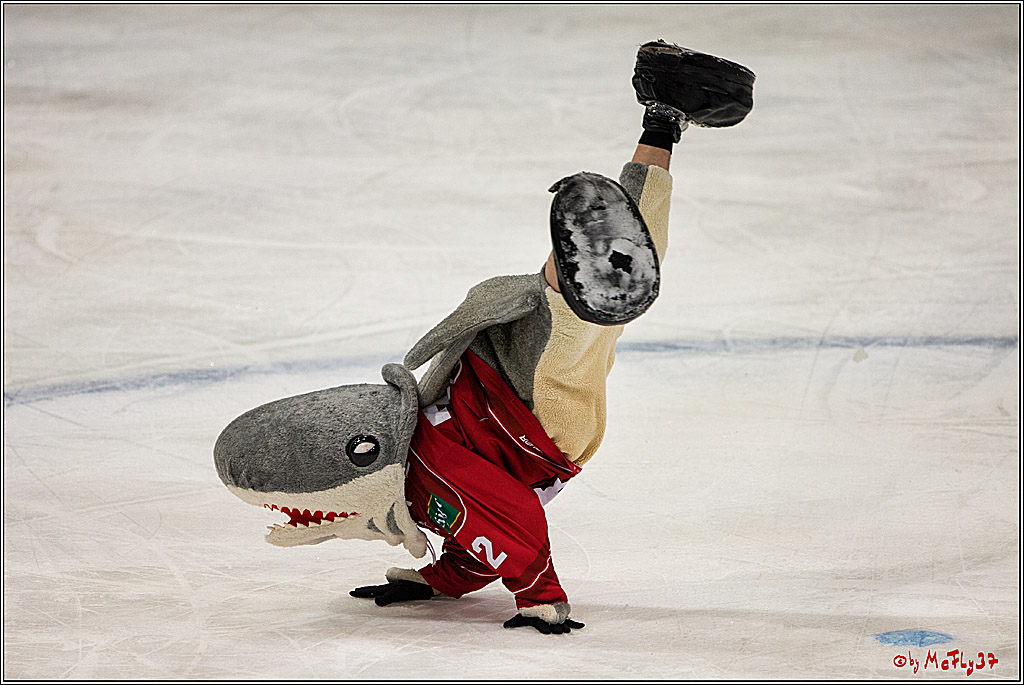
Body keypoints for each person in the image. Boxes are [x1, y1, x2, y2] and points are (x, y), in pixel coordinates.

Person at [347, 39, 756, 634]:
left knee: (589, 298)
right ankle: (657, 130)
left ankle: (659, 128)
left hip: (526, 402)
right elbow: (488, 513)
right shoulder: (427, 483)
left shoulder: (421, 478)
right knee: (587, 298)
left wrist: (534, 593)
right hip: (526, 411)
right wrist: (455, 578)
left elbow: (497, 516)